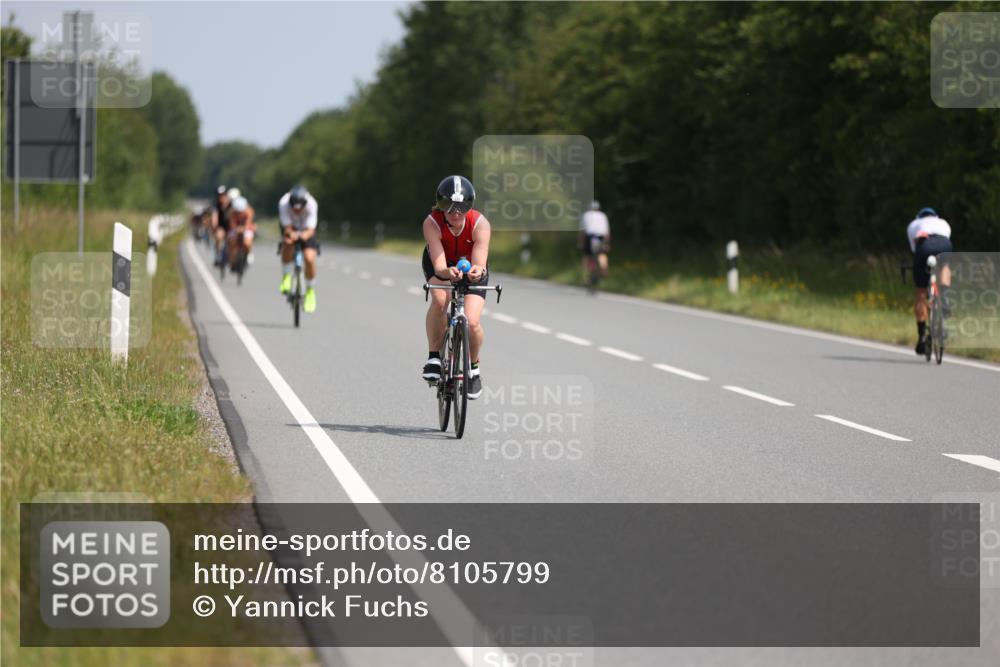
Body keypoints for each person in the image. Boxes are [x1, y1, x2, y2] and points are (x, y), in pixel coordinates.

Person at [421, 175, 491, 399]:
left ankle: (474, 368)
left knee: (472, 321)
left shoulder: (480, 224)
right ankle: (434, 357)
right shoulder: (432, 223)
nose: (456, 212)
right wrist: (446, 272)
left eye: (462, 207)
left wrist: (477, 271)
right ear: (440, 205)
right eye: (449, 206)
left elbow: (480, 263)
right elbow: (440, 266)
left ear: (469, 206)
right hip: (440, 264)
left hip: (471, 266)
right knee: (440, 301)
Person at [906, 207, 952, 355]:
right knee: (944, 266)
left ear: (919, 217)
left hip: (924, 245)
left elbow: (914, 250)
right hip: (944, 243)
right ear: (935, 216)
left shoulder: (914, 224)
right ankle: (944, 296)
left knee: (920, 291)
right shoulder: (943, 223)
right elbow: (947, 238)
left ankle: (921, 337)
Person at [278, 185, 320, 313]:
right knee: (287, 243)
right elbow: (287, 227)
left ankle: (310, 291)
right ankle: (286, 276)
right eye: (294, 208)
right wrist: (292, 235)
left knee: (309, 258)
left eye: (299, 208)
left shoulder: (312, 204)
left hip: (307, 230)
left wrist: (302, 236)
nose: (297, 211)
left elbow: (311, 230)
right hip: (291, 227)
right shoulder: (283, 203)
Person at [579, 200, 610, 286]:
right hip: (600, 238)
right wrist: (607, 243)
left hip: (590, 237)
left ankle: (586, 276)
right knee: (601, 254)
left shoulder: (586, 215)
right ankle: (604, 270)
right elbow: (606, 233)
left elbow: (583, 232)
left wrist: (581, 242)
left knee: (587, 256)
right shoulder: (603, 215)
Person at [226, 195, 256, 269]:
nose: (239, 214)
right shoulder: (231, 213)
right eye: (237, 212)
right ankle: (232, 259)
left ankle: (249, 253)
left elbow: (248, 223)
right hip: (235, 229)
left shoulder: (249, 211)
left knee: (247, 242)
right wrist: (236, 229)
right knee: (231, 241)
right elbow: (232, 224)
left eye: (241, 211)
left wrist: (243, 229)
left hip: (247, 228)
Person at [211, 186, 233, 266]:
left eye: (223, 195)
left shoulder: (232, 204)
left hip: (231, 227)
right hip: (221, 226)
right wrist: (214, 225)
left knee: (233, 240)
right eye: (220, 195)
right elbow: (214, 215)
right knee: (218, 237)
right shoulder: (216, 205)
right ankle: (218, 256)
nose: (221, 197)